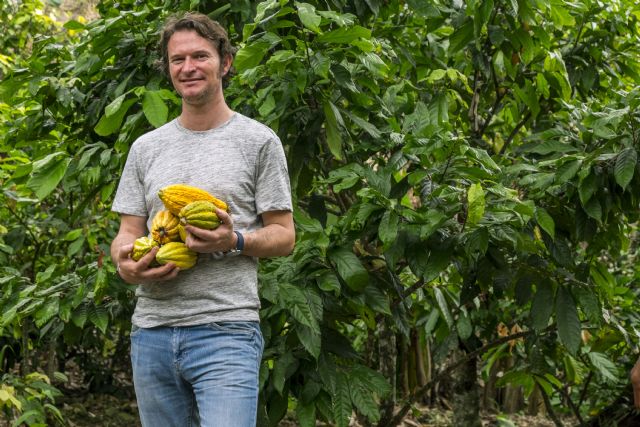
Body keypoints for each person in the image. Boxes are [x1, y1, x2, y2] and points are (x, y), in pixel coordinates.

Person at [109, 12, 295, 427]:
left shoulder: (258, 141)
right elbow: (126, 235)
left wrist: (235, 241)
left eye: (200, 56)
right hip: (152, 330)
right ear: (168, 69)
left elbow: (284, 235)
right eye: (177, 60)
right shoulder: (146, 148)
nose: (188, 68)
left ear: (224, 63)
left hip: (226, 330)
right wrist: (128, 265)